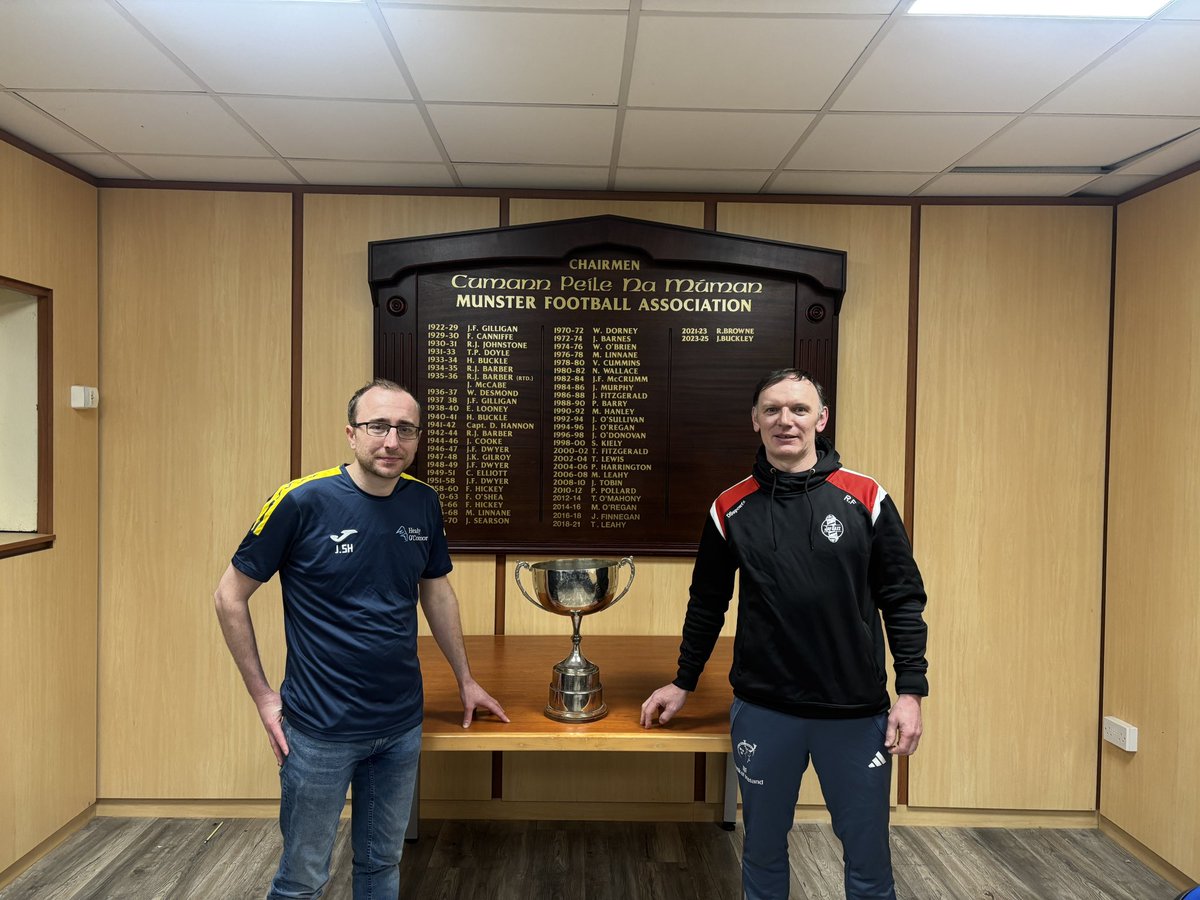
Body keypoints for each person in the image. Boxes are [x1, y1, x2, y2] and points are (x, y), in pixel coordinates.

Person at [213, 378, 508, 900]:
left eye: (405, 429)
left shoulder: (423, 503)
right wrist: (263, 697)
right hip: (320, 730)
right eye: (378, 426)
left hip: (399, 726)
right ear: (352, 434)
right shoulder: (299, 501)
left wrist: (466, 680)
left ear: (417, 439)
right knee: (303, 878)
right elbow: (229, 596)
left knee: (381, 865)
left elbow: (436, 595)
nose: (391, 441)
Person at [640, 368, 928, 900]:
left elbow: (903, 598)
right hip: (766, 710)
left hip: (855, 712)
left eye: (798, 409)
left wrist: (910, 691)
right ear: (755, 421)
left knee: (867, 859)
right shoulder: (729, 508)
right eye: (771, 409)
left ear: (821, 419)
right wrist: (683, 681)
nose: (785, 420)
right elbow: (707, 604)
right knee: (763, 852)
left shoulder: (867, 498)